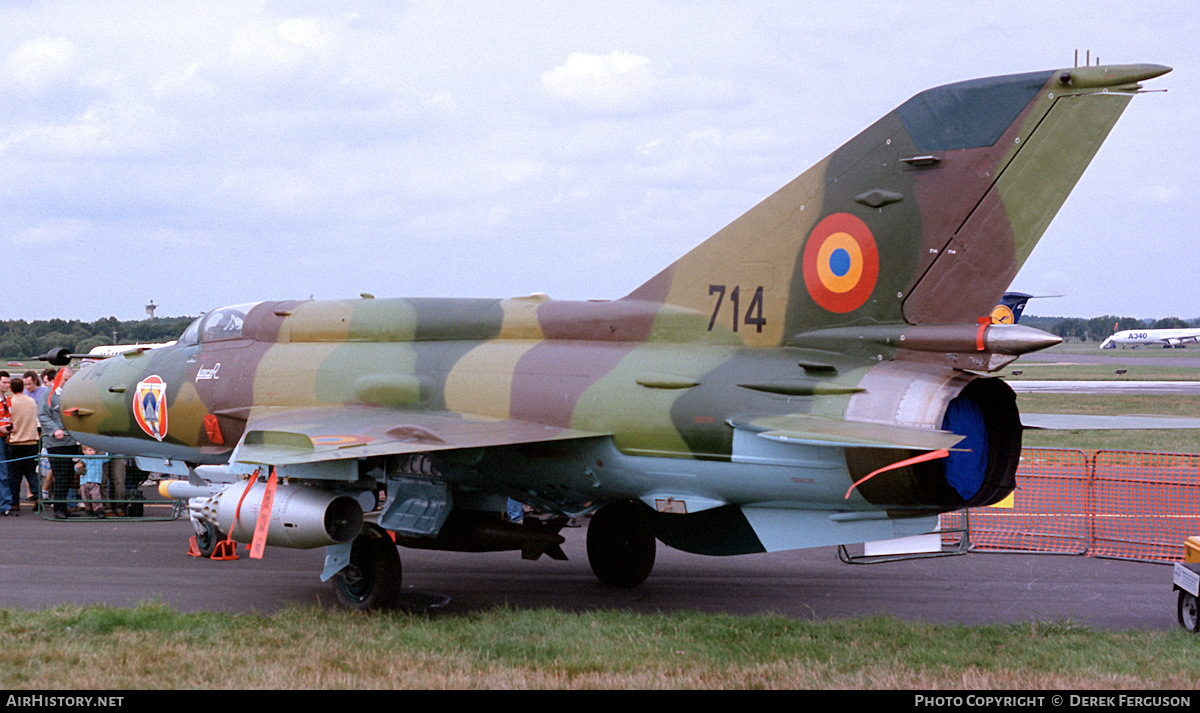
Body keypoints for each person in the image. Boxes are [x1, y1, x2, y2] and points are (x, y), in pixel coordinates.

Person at [39, 366, 80, 519]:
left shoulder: (73, 395)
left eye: (70, 380)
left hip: (71, 441)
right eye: (65, 380)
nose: (67, 383)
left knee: (69, 475)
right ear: (58, 379)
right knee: (60, 474)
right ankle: (58, 509)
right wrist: (55, 430)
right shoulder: (48, 395)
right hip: (55, 443)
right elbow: (43, 415)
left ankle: (64, 507)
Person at [6, 376, 40, 514]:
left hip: (16, 441)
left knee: (14, 475)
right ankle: (37, 495)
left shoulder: (10, 402)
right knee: (31, 472)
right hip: (32, 440)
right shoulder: (31, 401)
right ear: (23, 387)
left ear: (11, 389)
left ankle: (14, 503)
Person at [74, 445, 107, 518]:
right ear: (84, 451)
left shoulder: (98, 458)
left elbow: (107, 458)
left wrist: (109, 451)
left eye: (93, 450)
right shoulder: (82, 459)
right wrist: (77, 467)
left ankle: (98, 510)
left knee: (96, 496)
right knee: (85, 497)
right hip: (84, 481)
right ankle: (89, 510)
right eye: (90, 450)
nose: (92, 452)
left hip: (95, 481)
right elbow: (77, 468)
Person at [0, 371, 11, 515]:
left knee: (5, 472)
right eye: (4, 382)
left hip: (5, 438)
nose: (7, 385)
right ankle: (5, 504)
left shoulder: (8, 400)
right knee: (2, 472)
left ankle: (5, 503)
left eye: (8, 382)